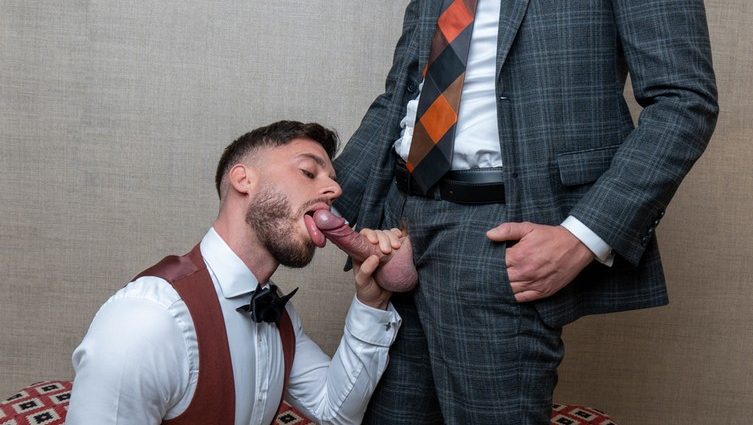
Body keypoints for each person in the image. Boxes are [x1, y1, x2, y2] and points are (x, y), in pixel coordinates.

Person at [333, 0, 719, 423]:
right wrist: (317, 205)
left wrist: (581, 237)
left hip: (500, 234)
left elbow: (683, 101)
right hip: (394, 230)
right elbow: (402, 96)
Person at [67, 120, 403, 425]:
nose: (335, 191)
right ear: (244, 180)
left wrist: (370, 303)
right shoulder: (147, 319)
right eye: (308, 172)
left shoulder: (281, 317)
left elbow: (335, 412)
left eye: (333, 181)